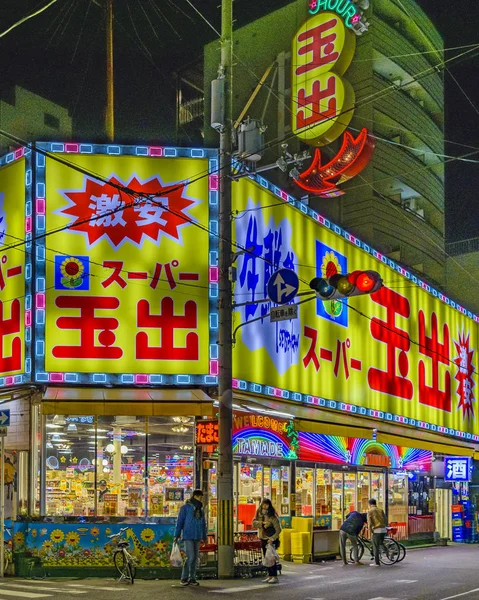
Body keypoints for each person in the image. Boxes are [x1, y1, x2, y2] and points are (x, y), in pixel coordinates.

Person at [174, 489, 207, 586]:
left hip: (197, 536)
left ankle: (192, 578)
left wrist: (204, 536)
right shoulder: (185, 508)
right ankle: (184, 578)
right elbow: (180, 522)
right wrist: (177, 534)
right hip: (188, 535)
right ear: (195, 496)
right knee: (191, 557)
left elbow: (203, 524)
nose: (201, 499)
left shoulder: (201, 509)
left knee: (195, 557)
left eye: (202, 497)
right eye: (200, 497)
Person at [253, 498, 282, 584]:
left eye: (267, 505)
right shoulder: (259, 514)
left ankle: (275, 576)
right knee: (266, 558)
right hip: (263, 538)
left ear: (269, 506)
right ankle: (270, 576)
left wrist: (272, 538)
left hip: (270, 540)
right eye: (264, 504)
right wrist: (261, 523)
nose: (265, 506)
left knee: (271, 559)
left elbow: (278, 529)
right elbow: (254, 523)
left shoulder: (273, 516)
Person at [367, 498, 387, 567]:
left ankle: (377, 562)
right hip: (383, 529)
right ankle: (389, 553)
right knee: (381, 543)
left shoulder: (370, 511)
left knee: (375, 546)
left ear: (369, 504)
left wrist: (370, 531)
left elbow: (369, 523)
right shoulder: (381, 510)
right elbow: (385, 519)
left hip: (377, 530)